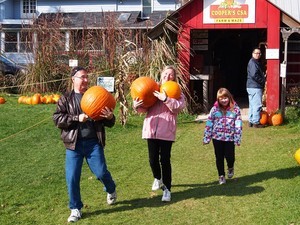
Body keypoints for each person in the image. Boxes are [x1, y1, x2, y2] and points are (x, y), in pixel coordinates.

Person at [53, 66, 117, 223]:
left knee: (101, 173)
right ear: (73, 79)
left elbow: (110, 123)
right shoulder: (66, 98)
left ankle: (111, 189)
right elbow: (57, 119)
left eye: (87, 77)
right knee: (72, 178)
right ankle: (75, 209)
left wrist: (109, 117)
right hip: (73, 145)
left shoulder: (97, 95)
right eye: (82, 77)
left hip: (93, 143)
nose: (86, 80)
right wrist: (76, 118)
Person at [133, 65, 185, 202]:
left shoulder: (176, 91)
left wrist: (165, 99)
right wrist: (137, 107)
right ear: (161, 75)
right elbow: (144, 109)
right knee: (152, 159)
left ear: (174, 78)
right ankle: (157, 178)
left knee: (165, 160)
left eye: (171, 75)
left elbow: (179, 107)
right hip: (151, 130)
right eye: (166, 74)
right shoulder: (151, 88)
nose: (168, 76)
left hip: (166, 131)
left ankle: (167, 190)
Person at [203, 88, 242, 185]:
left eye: (225, 98)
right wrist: (207, 137)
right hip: (217, 138)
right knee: (219, 157)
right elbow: (209, 123)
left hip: (230, 137)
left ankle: (230, 167)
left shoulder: (235, 109)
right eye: (221, 98)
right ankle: (221, 176)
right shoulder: (214, 109)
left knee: (230, 156)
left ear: (229, 97)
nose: (224, 100)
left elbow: (238, 124)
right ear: (218, 99)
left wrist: (237, 138)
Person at [246, 47, 266, 128]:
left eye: (259, 53)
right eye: (256, 53)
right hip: (255, 86)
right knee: (257, 105)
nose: (258, 55)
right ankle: (256, 122)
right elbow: (254, 75)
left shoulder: (253, 62)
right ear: (252, 54)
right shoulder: (253, 63)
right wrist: (263, 81)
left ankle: (251, 121)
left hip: (250, 86)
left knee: (252, 104)